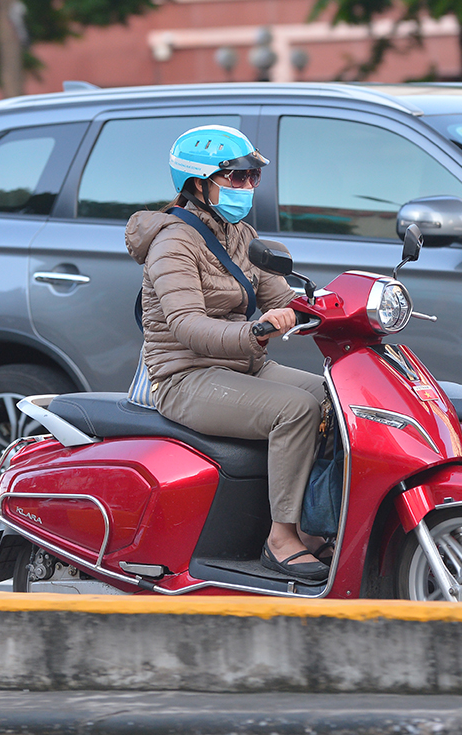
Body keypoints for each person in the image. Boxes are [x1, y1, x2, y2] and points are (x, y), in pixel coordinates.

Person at [124, 124, 329, 581]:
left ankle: (317, 526)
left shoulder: (241, 233)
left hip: (242, 367)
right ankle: (281, 540)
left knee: (339, 400)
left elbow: (280, 295)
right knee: (296, 410)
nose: (248, 187)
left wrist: (331, 306)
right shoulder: (172, 242)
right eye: (237, 178)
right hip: (184, 377)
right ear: (198, 184)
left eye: (253, 177)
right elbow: (187, 326)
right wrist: (255, 331)